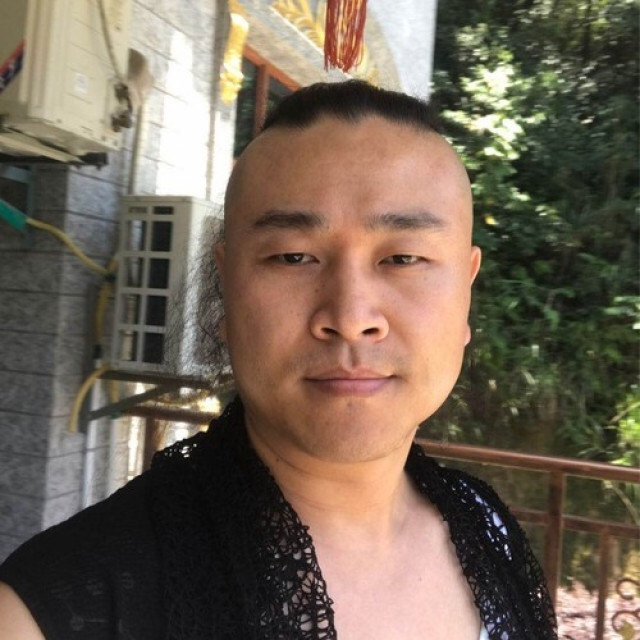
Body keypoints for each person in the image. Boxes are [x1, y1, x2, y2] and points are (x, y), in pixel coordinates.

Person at [0, 81, 557, 639]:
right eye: (293, 257)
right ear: (227, 291)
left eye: (404, 258)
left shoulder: (488, 531)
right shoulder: (43, 615)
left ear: (465, 290)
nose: (350, 316)